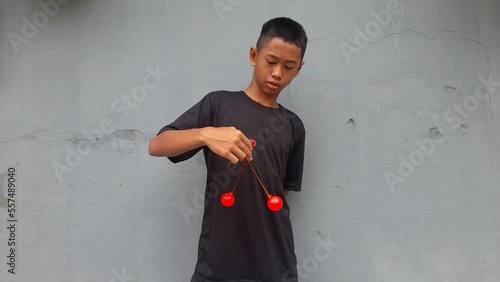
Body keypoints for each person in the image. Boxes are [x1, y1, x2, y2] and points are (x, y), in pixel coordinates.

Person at [149, 17, 307, 282]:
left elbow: (283, 191)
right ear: (254, 56)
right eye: (271, 61)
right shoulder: (218, 104)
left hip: (274, 263)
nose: (278, 73)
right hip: (218, 261)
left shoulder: (293, 126)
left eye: (288, 66)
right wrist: (206, 134)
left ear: (298, 70)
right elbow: (157, 145)